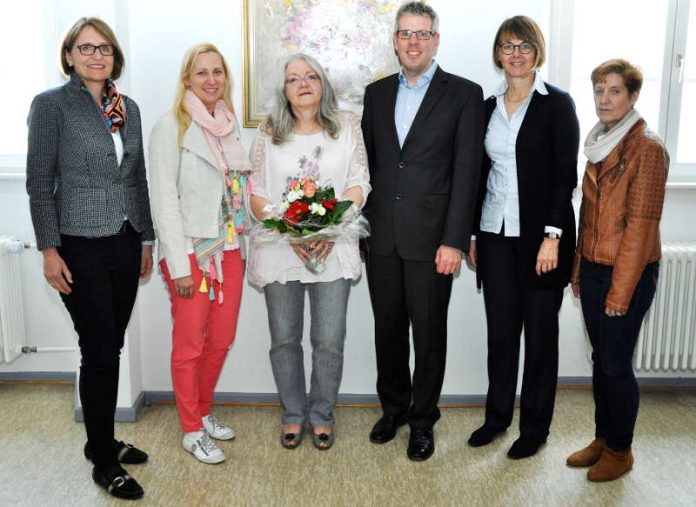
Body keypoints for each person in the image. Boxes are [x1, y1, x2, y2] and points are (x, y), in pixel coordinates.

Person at [26, 17, 153, 500]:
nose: (96, 55)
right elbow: (39, 183)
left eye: (104, 48)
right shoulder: (51, 106)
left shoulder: (128, 108)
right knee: (98, 350)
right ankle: (103, 459)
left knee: (110, 346)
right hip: (78, 243)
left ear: (114, 56)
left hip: (124, 239)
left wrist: (146, 239)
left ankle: (103, 438)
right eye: (86, 48)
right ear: (69, 56)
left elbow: (136, 178)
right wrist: (48, 249)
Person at [361, 1, 484, 461]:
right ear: (394, 40)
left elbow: (467, 172)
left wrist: (455, 239)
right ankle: (392, 409)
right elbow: (371, 167)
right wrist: (361, 231)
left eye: (423, 33)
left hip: (435, 242)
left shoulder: (464, 95)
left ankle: (422, 420)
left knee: (429, 334)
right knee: (387, 330)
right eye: (406, 33)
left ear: (436, 40)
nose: (413, 41)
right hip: (383, 238)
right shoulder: (375, 95)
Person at [466, 16, 579, 459]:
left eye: (525, 46)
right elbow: (480, 175)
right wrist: (473, 232)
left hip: (540, 240)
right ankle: (497, 419)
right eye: (508, 46)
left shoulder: (557, 105)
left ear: (537, 53)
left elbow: (562, 176)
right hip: (495, 235)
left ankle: (534, 428)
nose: (516, 54)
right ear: (498, 54)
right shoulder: (486, 107)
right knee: (501, 334)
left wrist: (552, 236)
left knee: (540, 338)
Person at [248, 53, 370, 451]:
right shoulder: (269, 131)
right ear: (284, 90)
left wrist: (329, 228)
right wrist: (292, 231)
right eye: (293, 78)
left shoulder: (347, 126)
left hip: (333, 246)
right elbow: (256, 194)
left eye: (311, 76)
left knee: (328, 339)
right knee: (284, 338)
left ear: (323, 84)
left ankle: (321, 414)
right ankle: (292, 414)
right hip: (281, 248)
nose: (302, 83)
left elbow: (359, 183)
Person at [566, 59, 668, 482]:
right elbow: (589, 215)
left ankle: (621, 450)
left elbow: (640, 229)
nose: (604, 99)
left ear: (633, 97)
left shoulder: (647, 147)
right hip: (593, 267)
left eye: (614, 91)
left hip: (628, 273)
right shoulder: (601, 141)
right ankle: (603, 438)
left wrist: (620, 292)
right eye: (598, 91)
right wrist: (577, 268)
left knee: (616, 364)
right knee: (600, 359)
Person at [149, 43, 249, 464]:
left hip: (227, 249)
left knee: (221, 340)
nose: (211, 80)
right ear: (187, 79)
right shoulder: (171, 127)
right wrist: (179, 265)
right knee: (189, 345)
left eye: (217, 72)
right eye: (201, 72)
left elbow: (236, 193)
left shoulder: (229, 126)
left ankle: (203, 412)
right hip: (191, 252)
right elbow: (164, 201)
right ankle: (191, 429)